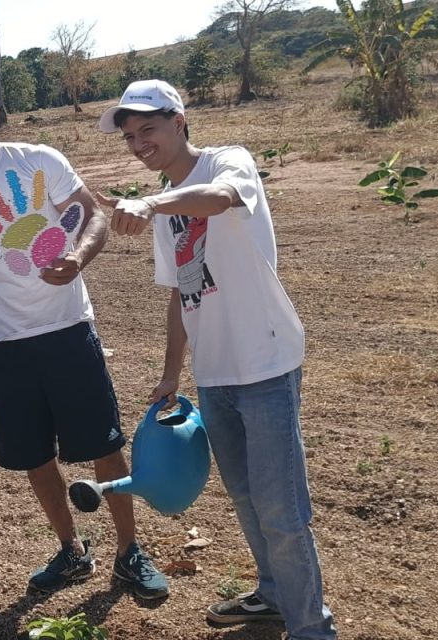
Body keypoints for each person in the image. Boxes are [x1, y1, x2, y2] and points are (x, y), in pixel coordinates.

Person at [95, 79, 336, 639]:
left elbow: (223, 198)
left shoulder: (228, 162)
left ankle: (312, 628)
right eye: (129, 136)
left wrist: (151, 201)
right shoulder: (165, 203)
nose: (137, 142)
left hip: (265, 361)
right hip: (215, 373)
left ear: (180, 121)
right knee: (248, 498)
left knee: (282, 509)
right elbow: (183, 290)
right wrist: (170, 372)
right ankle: (274, 597)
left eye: (147, 129)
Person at [0, 74, 169, 599]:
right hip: (4, 344)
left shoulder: (38, 161)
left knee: (103, 444)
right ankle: (72, 550)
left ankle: (129, 551)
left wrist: (78, 257)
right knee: (33, 454)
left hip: (67, 330)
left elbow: (93, 215)